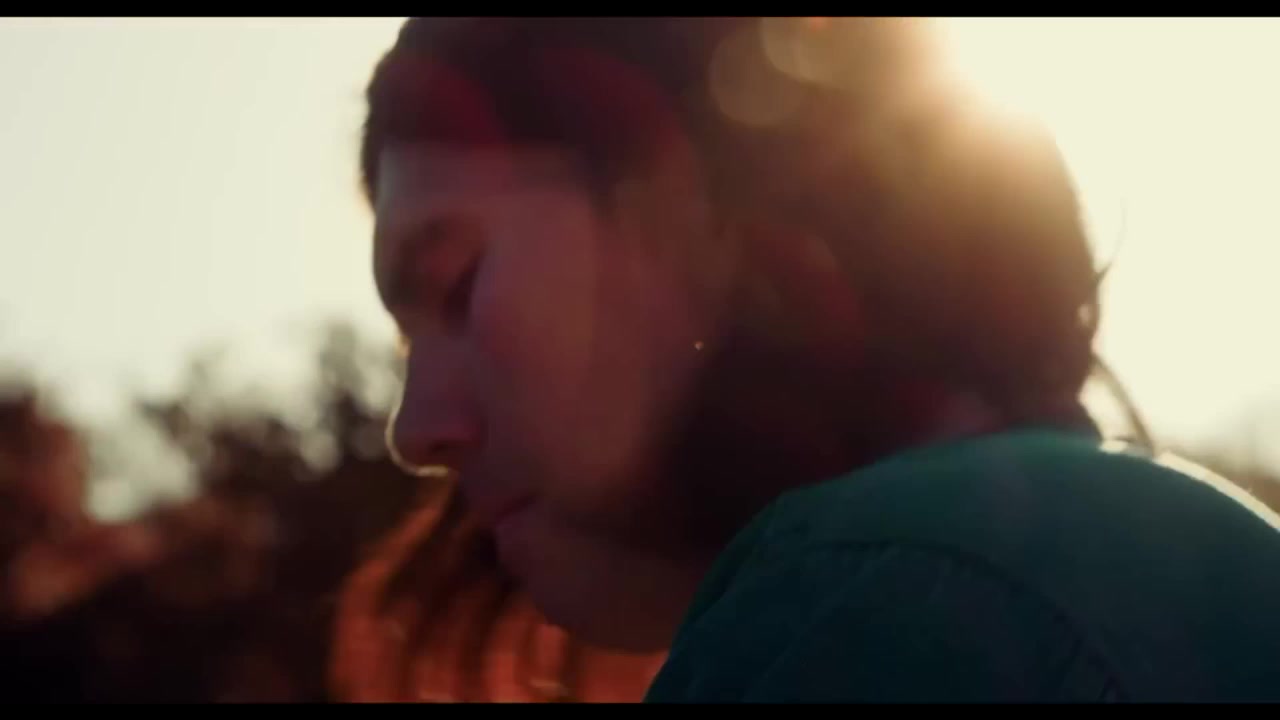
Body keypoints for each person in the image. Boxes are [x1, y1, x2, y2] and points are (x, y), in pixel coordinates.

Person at [332, 17, 1280, 702]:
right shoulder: (1132, 558)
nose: (416, 431)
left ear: (711, 200)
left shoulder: (889, 612)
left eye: (457, 284)